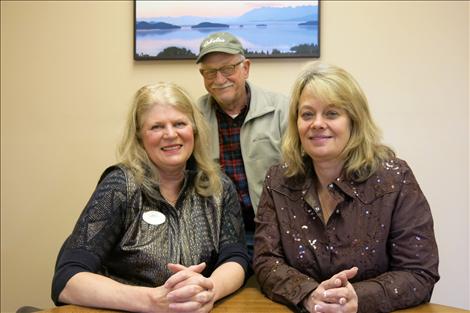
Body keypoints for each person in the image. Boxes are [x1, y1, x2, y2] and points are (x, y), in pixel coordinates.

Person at [253, 62, 439, 313]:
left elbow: (419, 272)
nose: (317, 123)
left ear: (354, 120)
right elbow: (265, 261)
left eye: (331, 113)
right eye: (307, 114)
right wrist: (309, 293)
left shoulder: (395, 179)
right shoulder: (278, 180)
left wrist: (356, 298)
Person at [51, 82, 249, 313]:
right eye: (156, 127)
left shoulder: (218, 186)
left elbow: (235, 257)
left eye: (179, 123)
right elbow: (67, 279)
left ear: (194, 129)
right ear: (139, 136)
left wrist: (210, 289)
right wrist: (152, 300)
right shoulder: (120, 186)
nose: (170, 134)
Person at [196, 32, 289, 256]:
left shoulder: (282, 110)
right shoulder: (193, 117)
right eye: (210, 72)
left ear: (245, 68)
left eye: (228, 69)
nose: (219, 79)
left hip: (277, 230)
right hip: (220, 235)